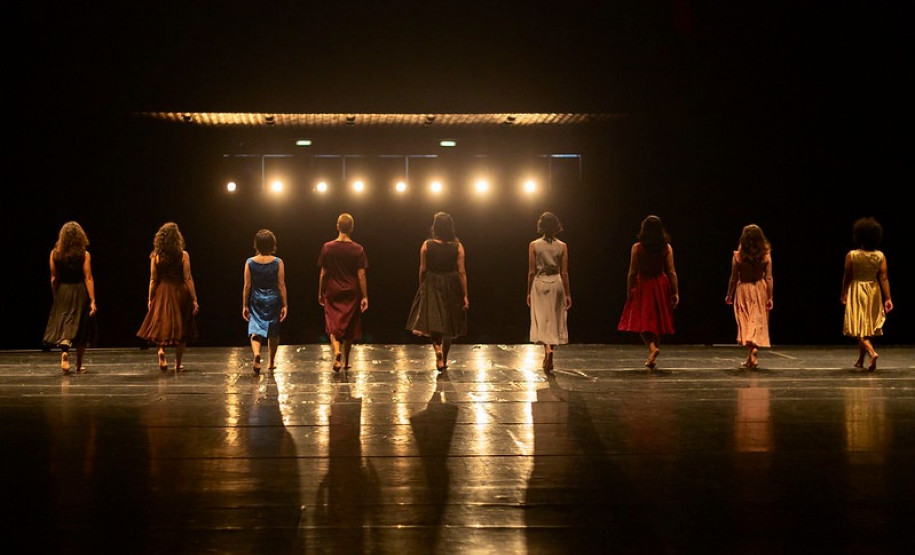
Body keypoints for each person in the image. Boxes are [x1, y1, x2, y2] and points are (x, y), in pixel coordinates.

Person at [406, 211, 469, 371]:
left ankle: (437, 350)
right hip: (452, 284)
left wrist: (422, 287)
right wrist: (465, 294)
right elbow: (462, 272)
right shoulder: (458, 247)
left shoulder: (427, 245)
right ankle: (444, 359)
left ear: (435, 227)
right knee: (449, 324)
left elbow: (422, 269)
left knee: (433, 322)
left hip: (432, 283)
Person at [617, 215, 679, 370]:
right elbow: (671, 272)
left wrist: (629, 289)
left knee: (641, 321)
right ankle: (653, 356)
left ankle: (652, 349)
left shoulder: (637, 247)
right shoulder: (666, 247)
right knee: (657, 321)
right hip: (660, 284)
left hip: (643, 284)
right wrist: (675, 292)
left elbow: (632, 272)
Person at [136, 222, 199, 372]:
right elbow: (187, 278)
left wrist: (150, 298)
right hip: (180, 293)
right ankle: (178, 363)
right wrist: (194, 299)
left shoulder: (155, 256)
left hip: (162, 292)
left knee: (160, 324)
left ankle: (161, 351)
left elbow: (153, 279)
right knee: (182, 328)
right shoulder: (183, 255)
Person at [43, 221, 97, 374]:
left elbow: (54, 278)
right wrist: (92, 300)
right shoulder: (84, 255)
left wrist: (56, 295)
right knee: (81, 327)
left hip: (63, 290)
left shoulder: (54, 254)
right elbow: (88, 277)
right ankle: (79, 365)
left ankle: (64, 351)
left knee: (65, 322)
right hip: (80, 290)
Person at [318, 213, 368, 371]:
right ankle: (346, 361)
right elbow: (361, 275)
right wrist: (365, 295)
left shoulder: (328, 247)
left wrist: (320, 291)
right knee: (349, 326)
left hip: (333, 289)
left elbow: (323, 273)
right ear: (352, 228)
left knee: (333, 324)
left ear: (337, 226)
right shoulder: (358, 249)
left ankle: (337, 351)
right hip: (352, 291)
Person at [841, 217, 893, 371]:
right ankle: (861, 359)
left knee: (858, 327)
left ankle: (872, 352)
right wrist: (888, 298)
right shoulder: (880, 256)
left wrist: (843, 292)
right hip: (873, 291)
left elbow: (847, 276)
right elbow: (883, 278)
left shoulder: (852, 255)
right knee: (864, 326)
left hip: (857, 290)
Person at [526, 211, 571, 372]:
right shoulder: (562, 246)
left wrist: (528, 292)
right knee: (554, 318)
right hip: (556, 283)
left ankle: (547, 349)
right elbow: (564, 272)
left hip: (539, 283)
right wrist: (567, 294)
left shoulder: (534, 245)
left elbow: (531, 271)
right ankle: (550, 349)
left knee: (543, 319)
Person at [725, 224, 773, 369]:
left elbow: (733, 278)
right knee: (756, 320)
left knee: (746, 320)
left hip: (744, 289)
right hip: (759, 288)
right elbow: (769, 278)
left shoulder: (738, 256)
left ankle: (752, 351)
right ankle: (751, 354)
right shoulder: (765, 256)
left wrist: (729, 294)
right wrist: (770, 296)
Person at [243, 229, 288, 374]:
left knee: (255, 329)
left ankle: (257, 354)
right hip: (273, 298)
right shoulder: (278, 262)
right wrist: (285, 304)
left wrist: (244, 304)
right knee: (273, 331)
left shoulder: (250, 262)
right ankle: (271, 362)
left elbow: (247, 286)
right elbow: (281, 284)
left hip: (257, 299)